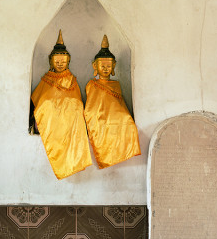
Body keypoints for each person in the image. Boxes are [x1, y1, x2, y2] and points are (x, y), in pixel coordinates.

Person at [30, 30, 92, 179]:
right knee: (47, 105)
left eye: (63, 62)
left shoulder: (72, 80)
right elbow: (38, 100)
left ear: (68, 62)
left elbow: (77, 100)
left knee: (76, 105)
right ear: (51, 61)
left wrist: (69, 104)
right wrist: (51, 103)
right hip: (52, 116)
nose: (60, 64)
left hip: (68, 117)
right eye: (57, 62)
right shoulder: (46, 79)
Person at [83, 35, 141, 168]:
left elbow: (120, 105)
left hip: (116, 116)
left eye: (109, 65)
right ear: (95, 66)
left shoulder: (116, 85)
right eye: (102, 65)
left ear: (114, 66)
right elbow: (91, 108)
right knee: (101, 125)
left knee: (128, 121)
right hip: (99, 116)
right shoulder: (92, 85)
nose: (105, 68)